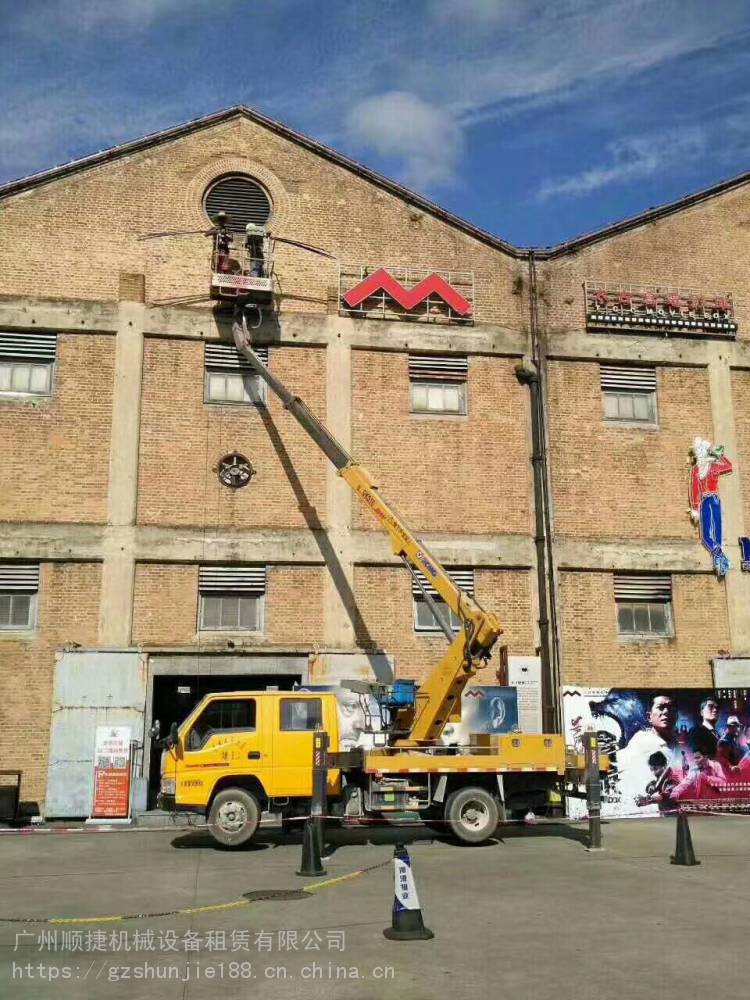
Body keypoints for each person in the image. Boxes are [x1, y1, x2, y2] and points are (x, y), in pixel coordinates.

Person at [689, 438, 733, 577]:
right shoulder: (698, 469)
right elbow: (695, 488)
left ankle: (718, 554)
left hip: (713, 499)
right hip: (707, 500)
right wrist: (695, 508)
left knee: (716, 529)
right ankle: (717, 555)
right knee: (707, 532)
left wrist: (718, 455)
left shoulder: (711, 467)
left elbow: (729, 466)